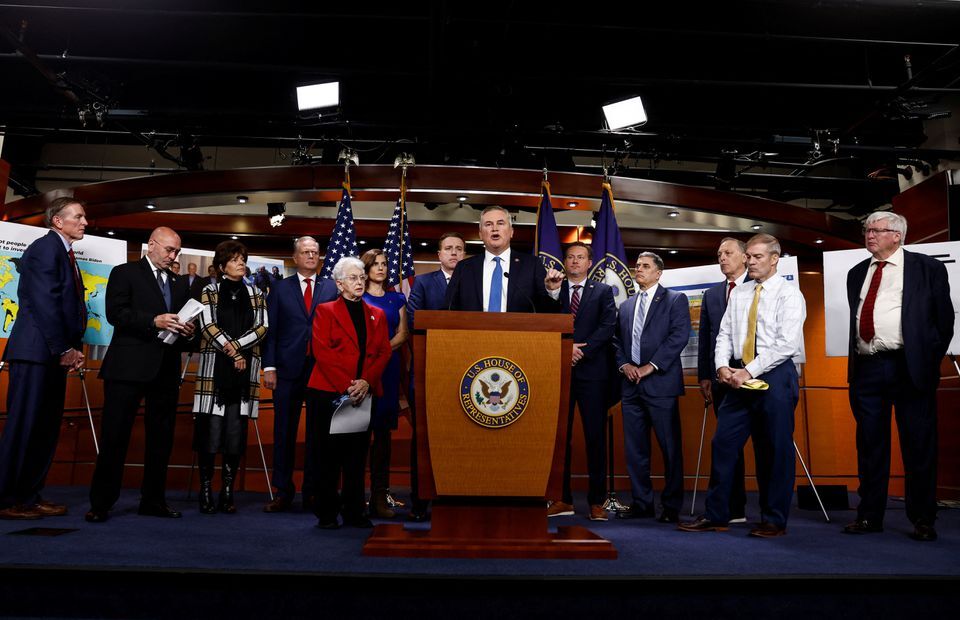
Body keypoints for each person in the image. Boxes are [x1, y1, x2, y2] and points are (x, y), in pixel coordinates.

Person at [679, 233, 806, 538]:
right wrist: (722, 366)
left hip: (774, 377)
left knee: (774, 451)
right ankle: (717, 514)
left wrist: (748, 371)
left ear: (775, 259)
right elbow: (724, 335)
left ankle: (774, 519)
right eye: (748, 256)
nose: (750, 261)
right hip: (737, 376)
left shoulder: (790, 294)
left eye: (757, 257)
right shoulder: (740, 293)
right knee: (723, 444)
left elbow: (786, 344)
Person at [843, 211, 954, 542]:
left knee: (918, 446)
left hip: (910, 368)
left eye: (877, 230)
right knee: (870, 446)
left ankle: (922, 518)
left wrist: (925, 358)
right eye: (867, 229)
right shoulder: (856, 272)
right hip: (867, 369)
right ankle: (869, 516)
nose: (870, 234)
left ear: (898, 235)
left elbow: (943, 322)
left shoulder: (927, 268)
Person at [85, 227, 196, 523]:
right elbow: (116, 313)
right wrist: (154, 320)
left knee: (161, 440)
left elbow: (185, 331)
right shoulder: (125, 272)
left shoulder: (179, 282)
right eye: (169, 250)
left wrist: (187, 330)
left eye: (177, 252)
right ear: (151, 245)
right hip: (127, 368)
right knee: (114, 437)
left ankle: (153, 500)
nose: (173, 257)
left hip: (166, 370)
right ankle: (101, 503)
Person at [0, 197, 87, 520]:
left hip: (51, 354)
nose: (84, 222)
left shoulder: (62, 252)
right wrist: (64, 348)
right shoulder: (45, 248)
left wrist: (72, 348)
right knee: (24, 427)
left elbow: (67, 305)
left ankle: (28, 496)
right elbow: (45, 303)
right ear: (57, 221)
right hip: (36, 354)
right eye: (77, 217)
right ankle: (7, 499)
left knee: (44, 429)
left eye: (84, 217)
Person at [308, 257, 392, 529]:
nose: (360, 282)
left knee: (356, 457)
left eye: (361, 278)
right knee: (328, 456)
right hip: (329, 393)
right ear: (339, 283)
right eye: (354, 278)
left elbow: (383, 352)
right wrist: (348, 385)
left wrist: (365, 381)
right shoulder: (325, 310)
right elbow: (322, 352)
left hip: (363, 393)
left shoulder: (376, 314)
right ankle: (327, 513)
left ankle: (355, 511)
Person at [261, 237, 337, 512]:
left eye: (315, 252)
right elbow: (271, 331)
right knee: (284, 432)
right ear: (295, 257)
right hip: (286, 369)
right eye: (305, 252)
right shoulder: (279, 288)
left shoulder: (331, 287)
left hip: (321, 369)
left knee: (318, 434)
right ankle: (283, 491)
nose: (310, 256)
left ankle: (313, 491)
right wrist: (269, 367)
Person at [192, 240, 268, 514]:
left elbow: (262, 327)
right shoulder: (209, 290)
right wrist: (233, 351)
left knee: (235, 435)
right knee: (210, 434)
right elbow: (207, 325)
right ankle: (205, 489)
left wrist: (237, 347)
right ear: (222, 266)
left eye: (243, 259)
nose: (241, 263)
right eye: (235, 259)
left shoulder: (256, 292)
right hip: (214, 372)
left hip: (244, 373)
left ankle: (227, 491)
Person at [613, 252, 690, 524]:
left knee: (670, 449)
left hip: (661, 385)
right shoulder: (626, 306)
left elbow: (679, 336)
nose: (639, 269)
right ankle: (642, 502)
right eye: (638, 266)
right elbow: (616, 342)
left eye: (646, 266)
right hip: (631, 387)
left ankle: (670, 506)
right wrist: (625, 366)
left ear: (659, 273)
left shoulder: (675, 300)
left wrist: (650, 366)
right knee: (636, 450)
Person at [547, 242, 617, 522]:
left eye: (581, 257)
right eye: (570, 257)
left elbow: (608, 326)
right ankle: (562, 498)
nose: (575, 261)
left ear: (590, 263)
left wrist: (581, 351)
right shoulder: (553, 289)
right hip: (560, 373)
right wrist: (567, 349)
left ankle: (597, 501)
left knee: (595, 438)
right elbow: (545, 320)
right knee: (560, 438)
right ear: (565, 261)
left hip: (593, 374)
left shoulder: (602, 291)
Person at [405, 231, 464, 521]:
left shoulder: (472, 283)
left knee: (458, 439)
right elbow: (416, 319)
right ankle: (420, 500)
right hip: (429, 370)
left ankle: (454, 497)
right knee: (424, 438)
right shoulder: (424, 283)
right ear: (438, 254)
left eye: (459, 249)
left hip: (464, 374)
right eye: (448, 249)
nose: (453, 253)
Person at [696, 237, 750, 524]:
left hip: (756, 377)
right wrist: (705, 374)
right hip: (721, 379)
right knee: (727, 444)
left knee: (766, 443)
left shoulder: (758, 287)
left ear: (745, 257)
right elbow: (707, 336)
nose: (722, 257)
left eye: (728, 253)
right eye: (719, 254)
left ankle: (771, 512)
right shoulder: (713, 294)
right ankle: (735, 507)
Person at [360, 249, 409, 519]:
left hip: (387, 370)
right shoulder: (358, 297)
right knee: (357, 434)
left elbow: (403, 333)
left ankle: (380, 495)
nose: (381, 268)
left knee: (383, 438)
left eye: (384, 264)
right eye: (375, 264)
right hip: (362, 370)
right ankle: (356, 496)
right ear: (366, 269)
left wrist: (382, 352)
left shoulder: (396, 298)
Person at [445, 206, 563, 312]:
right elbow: (448, 309)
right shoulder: (464, 267)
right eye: (488, 224)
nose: (495, 228)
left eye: (500, 223)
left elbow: (547, 312)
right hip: (472, 334)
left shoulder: (532, 265)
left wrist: (552, 291)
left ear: (511, 232)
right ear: (480, 234)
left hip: (519, 335)